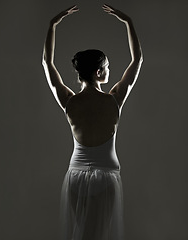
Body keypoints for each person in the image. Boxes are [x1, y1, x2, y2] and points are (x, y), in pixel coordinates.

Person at [42, 4, 143, 240]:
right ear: (98, 72)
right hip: (107, 176)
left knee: (83, 235)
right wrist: (128, 21)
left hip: (76, 175)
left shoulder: (69, 101)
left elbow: (47, 63)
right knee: (98, 235)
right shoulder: (114, 99)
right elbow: (137, 60)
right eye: (107, 66)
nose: (110, 69)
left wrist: (51, 26)